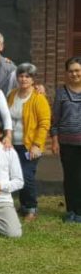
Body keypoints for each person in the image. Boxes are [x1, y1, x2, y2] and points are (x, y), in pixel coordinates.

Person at [7, 63, 51, 222]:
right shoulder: (12, 94)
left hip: (30, 145)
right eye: (21, 75)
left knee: (26, 175)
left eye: (27, 76)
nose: (23, 79)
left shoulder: (38, 98)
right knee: (15, 175)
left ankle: (31, 208)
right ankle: (23, 206)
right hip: (12, 144)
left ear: (33, 79)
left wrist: (37, 144)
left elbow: (44, 123)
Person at [51, 56, 81, 223]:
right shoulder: (61, 92)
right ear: (67, 73)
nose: (74, 74)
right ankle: (71, 210)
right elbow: (55, 120)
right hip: (67, 144)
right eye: (71, 71)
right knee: (70, 177)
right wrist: (55, 140)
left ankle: (80, 212)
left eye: (77, 70)